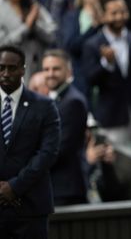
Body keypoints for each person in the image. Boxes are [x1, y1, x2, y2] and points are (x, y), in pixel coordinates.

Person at [0, 45, 60, 239]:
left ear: (23, 69)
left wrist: (15, 187)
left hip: (31, 208)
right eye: (1, 68)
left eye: (12, 68)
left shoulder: (44, 106)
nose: (6, 73)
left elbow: (48, 152)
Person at [82, 0, 131, 154]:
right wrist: (107, 64)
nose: (119, 17)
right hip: (111, 116)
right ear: (103, 16)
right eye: (114, 13)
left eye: (122, 12)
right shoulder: (92, 44)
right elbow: (90, 79)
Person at [42, 50, 88, 206]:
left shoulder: (73, 102)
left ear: (69, 71)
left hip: (66, 190)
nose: (50, 74)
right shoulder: (53, 99)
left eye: (56, 69)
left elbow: (59, 149)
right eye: (46, 69)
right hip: (53, 187)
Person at [0, 0, 57, 82]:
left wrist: (35, 26)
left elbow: (52, 35)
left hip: (41, 69)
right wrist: (26, 27)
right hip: (13, 73)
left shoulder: (34, 6)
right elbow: (3, 44)